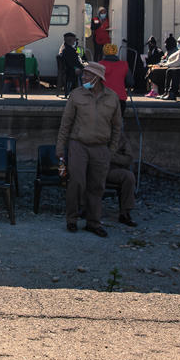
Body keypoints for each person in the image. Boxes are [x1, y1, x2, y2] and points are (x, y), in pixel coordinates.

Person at [56, 62, 122, 237]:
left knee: (97, 186)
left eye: (87, 75)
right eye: (83, 74)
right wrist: (60, 148)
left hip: (100, 147)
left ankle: (93, 222)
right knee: (76, 182)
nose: (83, 77)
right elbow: (66, 123)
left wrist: (111, 150)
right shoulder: (76, 95)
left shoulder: (112, 97)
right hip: (79, 144)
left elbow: (117, 127)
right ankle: (72, 219)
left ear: (97, 78)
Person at [107, 131, 138, 227]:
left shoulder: (122, 138)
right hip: (98, 168)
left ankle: (125, 213)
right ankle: (85, 208)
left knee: (129, 177)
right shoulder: (99, 130)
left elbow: (128, 159)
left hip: (114, 169)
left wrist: (111, 157)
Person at [147, 34, 180, 98]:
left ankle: (162, 91)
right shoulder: (179, 51)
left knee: (155, 72)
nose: (179, 44)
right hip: (170, 66)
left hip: (175, 67)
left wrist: (165, 65)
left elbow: (177, 62)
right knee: (154, 70)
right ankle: (161, 91)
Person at [100, 43, 131, 114]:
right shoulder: (124, 65)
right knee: (118, 121)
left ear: (104, 52)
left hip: (103, 98)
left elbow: (93, 82)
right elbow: (130, 82)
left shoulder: (100, 65)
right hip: (120, 98)